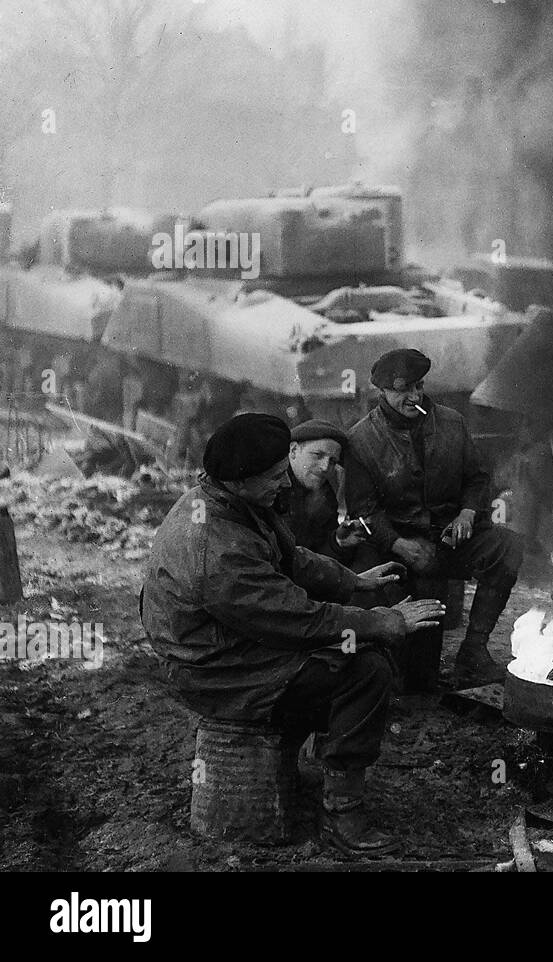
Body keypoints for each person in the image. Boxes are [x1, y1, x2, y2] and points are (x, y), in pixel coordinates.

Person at [141, 412, 443, 857]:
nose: (285, 484)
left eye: (284, 470)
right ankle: (343, 811)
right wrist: (385, 621)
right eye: (274, 477)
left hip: (228, 643)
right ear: (241, 481)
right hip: (213, 670)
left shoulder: (232, 503)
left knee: (355, 649)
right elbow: (298, 619)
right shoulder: (216, 545)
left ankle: (319, 763)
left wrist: (354, 581)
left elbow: (292, 559)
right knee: (366, 667)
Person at [345, 348, 522, 689]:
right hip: (397, 549)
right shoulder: (362, 440)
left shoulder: (451, 423)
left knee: (507, 546)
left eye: (419, 386)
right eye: (404, 389)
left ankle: (473, 650)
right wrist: (399, 544)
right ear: (382, 391)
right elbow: (363, 512)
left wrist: (468, 514)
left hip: (450, 539)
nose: (414, 396)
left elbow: (477, 478)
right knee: (418, 680)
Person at [284, 419, 362, 561]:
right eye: (318, 455)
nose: (325, 467)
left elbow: (318, 553)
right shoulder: (271, 488)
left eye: (332, 461)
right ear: (293, 450)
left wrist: (338, 541)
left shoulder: (325, 494)